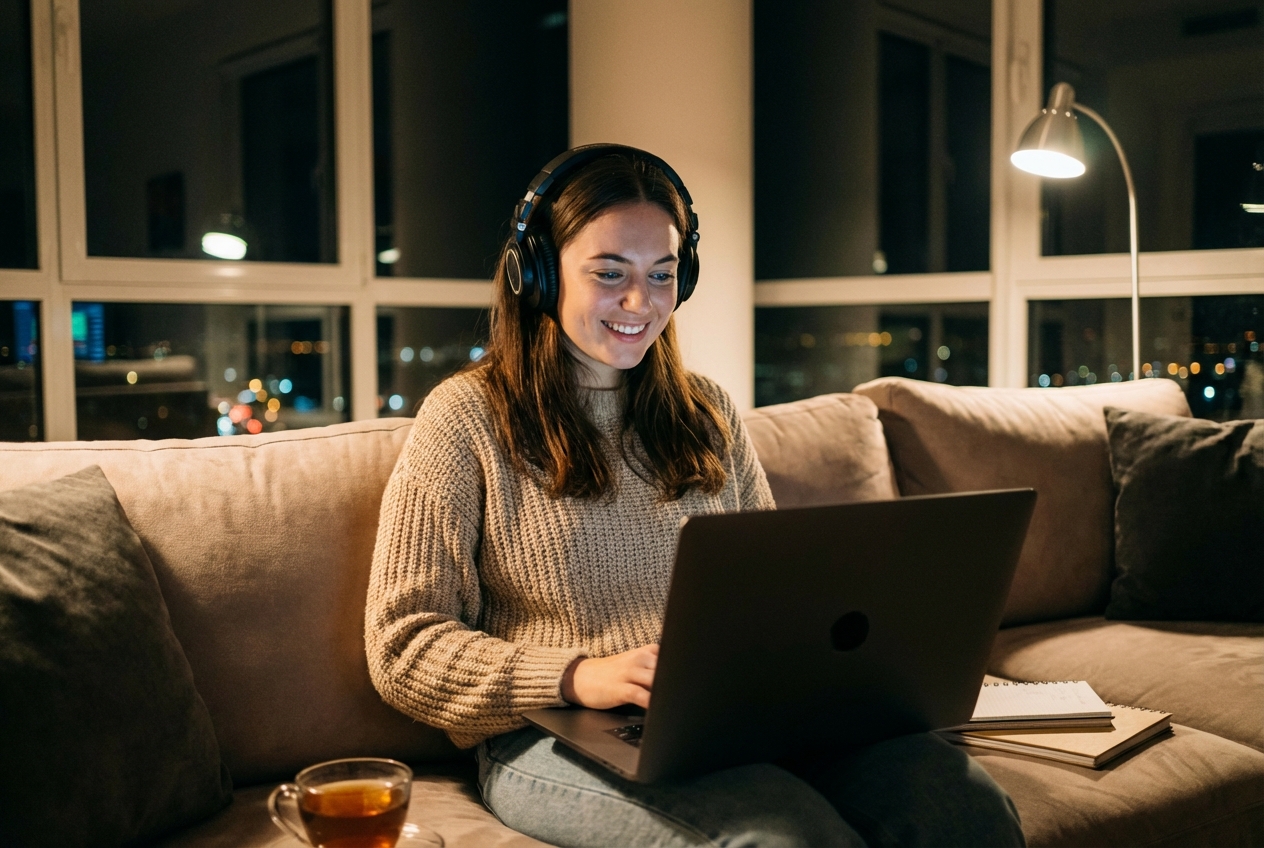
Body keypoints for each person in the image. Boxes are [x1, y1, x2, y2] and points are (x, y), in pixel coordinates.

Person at [365, 145, 1025, 847]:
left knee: (963, 806)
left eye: (662, 274)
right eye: (608, 273)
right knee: (783, 839)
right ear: (535, 273)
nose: (638, 302)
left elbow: (777, 596)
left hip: (727, 717)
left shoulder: (707, 411)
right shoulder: (465, 418)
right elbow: (402, 644)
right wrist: (575, 676)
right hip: (548, 731)